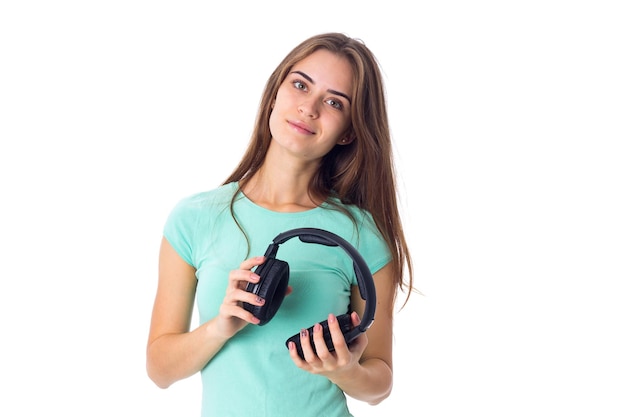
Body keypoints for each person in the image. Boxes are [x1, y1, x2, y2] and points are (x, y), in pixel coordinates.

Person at [146, 32, 414, 417]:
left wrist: (346, 371)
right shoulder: (194, 218)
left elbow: (379, 385)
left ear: (349, 132)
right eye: (301, 85)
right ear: (275, 93)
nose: (309, 108)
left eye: (334, 102)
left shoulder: (362, 235)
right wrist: (221, 327)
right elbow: (159, 370)